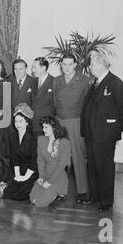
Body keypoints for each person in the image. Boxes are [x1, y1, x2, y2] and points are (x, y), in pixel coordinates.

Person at [81, 51, 123, 212]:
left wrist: (114, 132)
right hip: (91, 135)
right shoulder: (95, 83)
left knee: (105, 168)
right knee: (93, 167)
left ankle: (106, 201)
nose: (90, 67)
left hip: (105, 136)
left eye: (92, 64)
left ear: (102, 64)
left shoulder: (116, 83)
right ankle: (95, 196)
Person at [53, 55, 91, 203]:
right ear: (61, 65)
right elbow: (54, 103)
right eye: (64, 64)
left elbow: (88, 103)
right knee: (58, 157)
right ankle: (58, 190)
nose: (67, 67)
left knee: (78, 156)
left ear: (75, 65)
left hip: (76, 121)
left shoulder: (84, 80)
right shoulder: (57, 81)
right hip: (59, 120)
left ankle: (82, 191)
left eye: (70, 64)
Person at [29, 116, 71, 207]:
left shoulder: (64, 142)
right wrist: (40, 177)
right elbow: (40, 160)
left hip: (57, 176)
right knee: (33, 199)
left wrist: (50, 182)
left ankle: (61, 192)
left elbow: (61, 166)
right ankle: (54, 194)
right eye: (43, 127)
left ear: (54, 127)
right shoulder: (41, 139)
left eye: (46, 127)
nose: (43, 130)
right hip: (45, 174)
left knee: (40, 203)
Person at [2, 103, 38, 201]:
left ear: (27, 122)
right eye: (16, 121)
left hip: (31, 171)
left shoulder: (33, 139)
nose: (17, 124)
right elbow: (14, 158)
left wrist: (25, 177)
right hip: (19, 169)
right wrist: (18, 175)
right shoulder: (12, 137)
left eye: (21, 121)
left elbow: (34, 161)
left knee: (19, 195)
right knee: (7, 193)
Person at [32, 57, 55, 136]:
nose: (33, 70)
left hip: (47, 125)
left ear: (44, 68)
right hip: (33, 124)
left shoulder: (54, 82)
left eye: (35, 67)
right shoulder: (33, 81)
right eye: (33, 67)